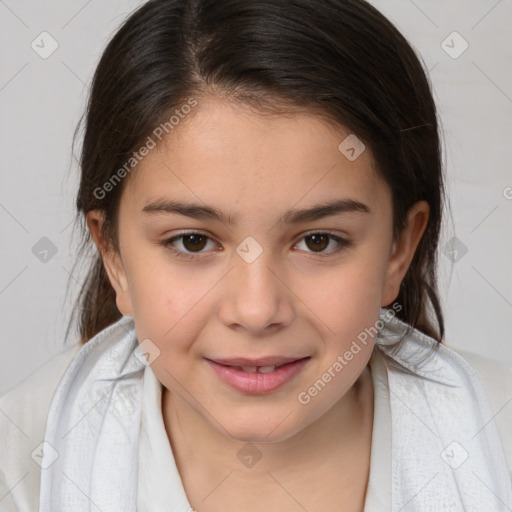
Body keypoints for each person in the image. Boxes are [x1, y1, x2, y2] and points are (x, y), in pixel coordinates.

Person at [1, 0, 511, 511]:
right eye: (192, 241)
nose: (257, 310)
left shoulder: (497, 440)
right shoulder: (22, 467)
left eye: (319, 241)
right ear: (113, 254)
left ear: (400, 248)